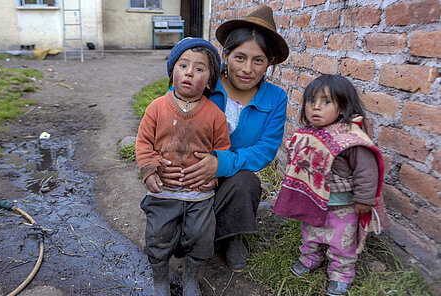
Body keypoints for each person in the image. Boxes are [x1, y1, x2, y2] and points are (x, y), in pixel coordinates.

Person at [156, 4, 290, 273]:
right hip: (188, 170)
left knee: (246, 182)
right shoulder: (203, 81)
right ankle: (188, 226)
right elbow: (167, 118)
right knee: (177, 245)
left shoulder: (276, 98)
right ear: (225, 55)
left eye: (258, 60)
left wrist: (219, 162)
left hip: (232, 176)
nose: (247, 69)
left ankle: (231, 236)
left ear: (269, 64)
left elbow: (265, 150)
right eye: (240, 57)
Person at [273, 74, 388, 296]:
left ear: (343, 106)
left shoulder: (351, 138)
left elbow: (367, 170)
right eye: (311, 101)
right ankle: (310, 258)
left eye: (326, 102)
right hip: (311, 201)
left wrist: (364, 199)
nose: (316, 108)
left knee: (341, 242)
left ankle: (341, 274)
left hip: (342, 206)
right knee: (310, 234)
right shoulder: (306, 134)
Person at [136, 37, 231, 296]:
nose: (190, 72)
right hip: (163, 192)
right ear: (172, 71)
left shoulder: (215, 115)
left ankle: (191, 278)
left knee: (201, 235)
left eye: (199, 68)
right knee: (157, 236)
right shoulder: (156, 108)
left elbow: (222, 150)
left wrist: (214, 176)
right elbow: (143, 142)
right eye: (183, 65)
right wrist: (149, 169)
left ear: (211, 80)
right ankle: (160, 281)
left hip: (199, 193)